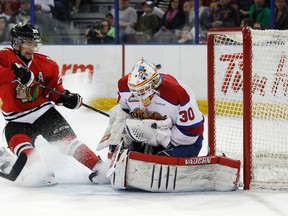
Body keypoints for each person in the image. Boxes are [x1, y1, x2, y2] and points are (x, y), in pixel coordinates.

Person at [0, 23, 105, 186]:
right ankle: (41, 171)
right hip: (16, 119)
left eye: (34, 44)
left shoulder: (47, 64)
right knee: (20, 145)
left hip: (44, 112)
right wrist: (14, 73)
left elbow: (53, 91)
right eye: (28, 43)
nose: (32, 48)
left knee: (68, 142)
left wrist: (66, 98)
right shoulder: (4, 57)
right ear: (16, 43)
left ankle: (99, 167)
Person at [107, 59, 204, 157]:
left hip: (184, 141)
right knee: (122, 151)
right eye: (135, 92)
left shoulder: (177, 94)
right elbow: (124, 112)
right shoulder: (124, 87)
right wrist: (122, 133)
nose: (140, 98)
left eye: (143, 90)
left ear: (154, 83)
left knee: (160, 162)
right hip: (148, 134)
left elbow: (192, 131)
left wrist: (160, 137)